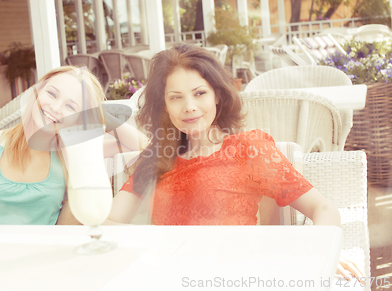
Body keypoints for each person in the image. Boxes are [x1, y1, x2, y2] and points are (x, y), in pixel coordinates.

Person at [107, 44, 363, 279]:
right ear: (164, 105)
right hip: (168, 278)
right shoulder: (156, 159)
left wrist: (321, 250)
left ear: (217, 95)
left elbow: (324, 208)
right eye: (176, 97)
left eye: (199, 93)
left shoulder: (248, 150)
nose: (189, 106)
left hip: (235, 277)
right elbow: (109, 223)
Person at [0, 66, 144, 226]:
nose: (55, 107)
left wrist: (99, 115)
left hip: (38, 270)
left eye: (71, 106)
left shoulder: (68, 156)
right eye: (52, 94)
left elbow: (142, 146)